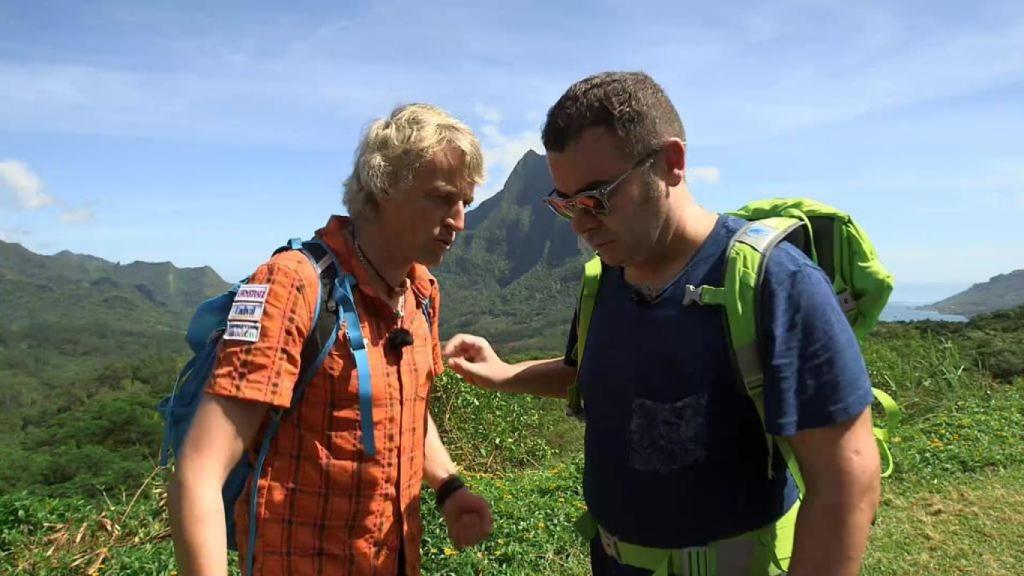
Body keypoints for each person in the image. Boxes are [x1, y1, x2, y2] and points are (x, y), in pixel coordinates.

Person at [444, 72, 881, 576]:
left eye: (596, 198)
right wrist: (504, 372)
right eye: (564, 205)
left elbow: (847, 479)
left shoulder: (775, 281)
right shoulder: (605, 278)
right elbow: (593, 371)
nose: (581, 224)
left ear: (671, 164)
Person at [169, 103, 493, 576]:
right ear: (385, 186)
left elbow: (407, 410)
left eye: (465, 201)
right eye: (443, 198)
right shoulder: (292, 285)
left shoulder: (421, 291)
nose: (459, 220)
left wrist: (448, 487)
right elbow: (199, 471)